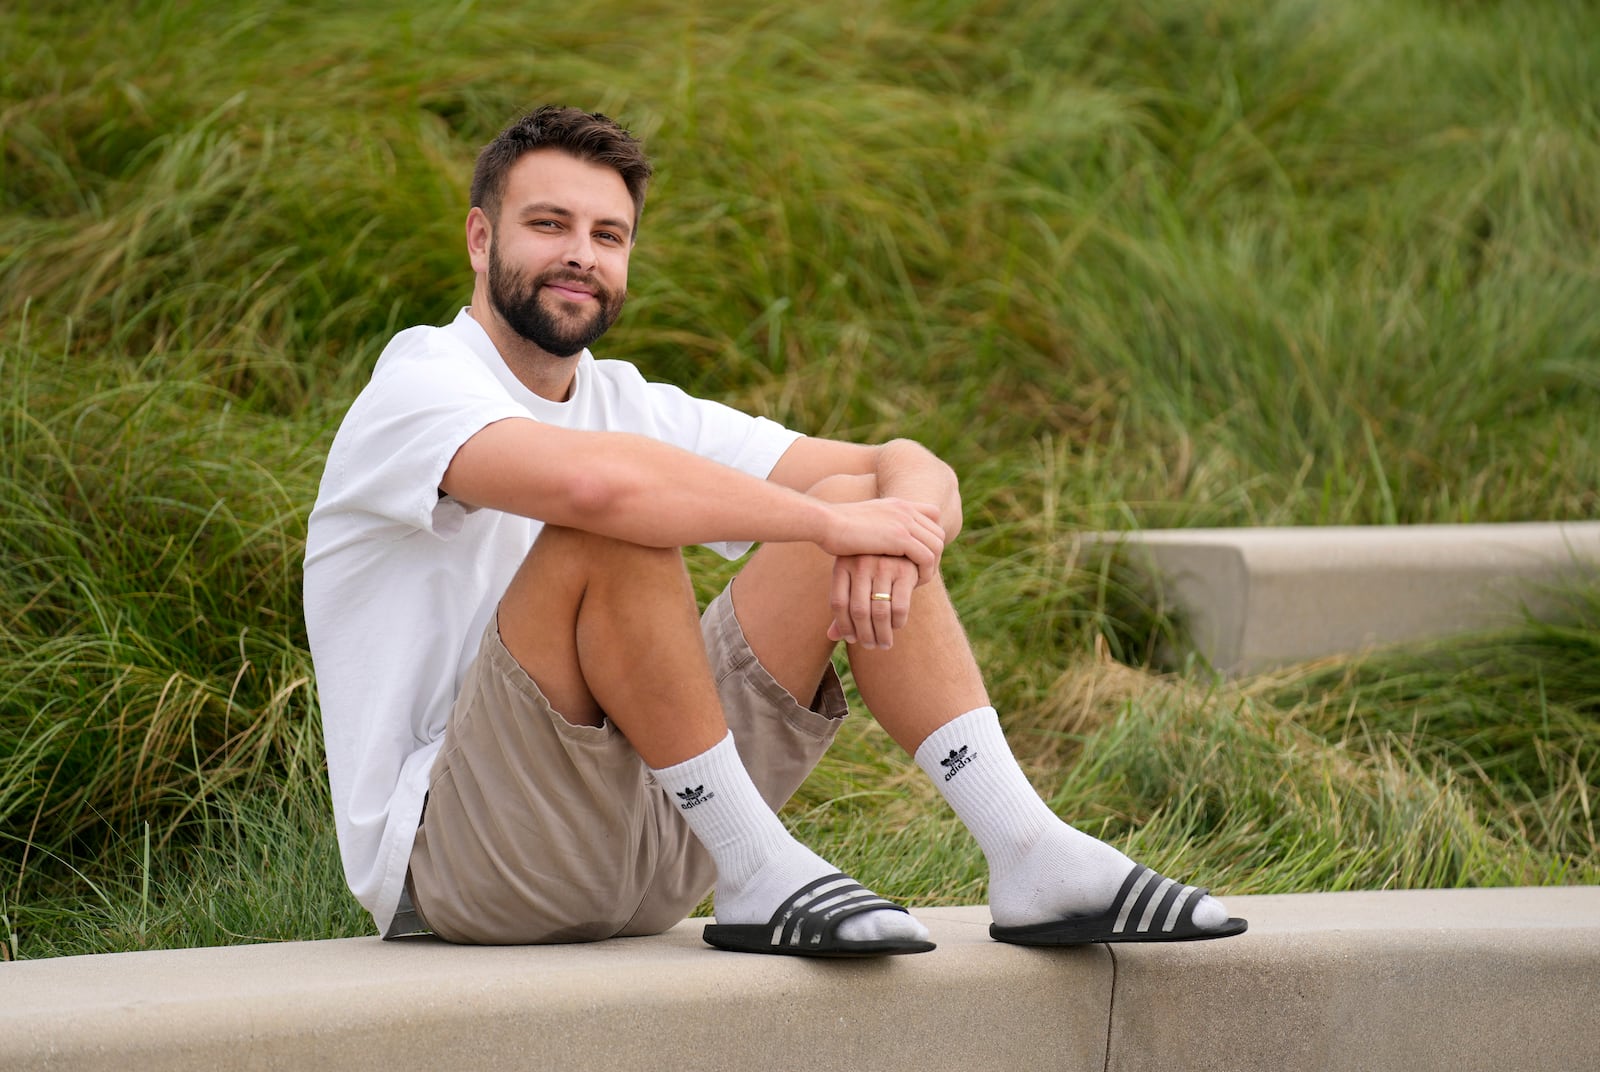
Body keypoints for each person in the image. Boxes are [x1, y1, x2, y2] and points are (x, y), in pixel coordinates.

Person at [303, 105, 1246, 956]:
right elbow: (596, 488)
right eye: (549, 225)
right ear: (480, 238)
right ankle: (759, 868)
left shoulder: (626, 400)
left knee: (851, 497)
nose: (581, 254)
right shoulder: (419, 387)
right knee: (622, 526)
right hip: (470, 867)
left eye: (608, 234)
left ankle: (1029, 851)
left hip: (662, 851)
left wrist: (877, 512)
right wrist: (838, 520)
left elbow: (899, 469)